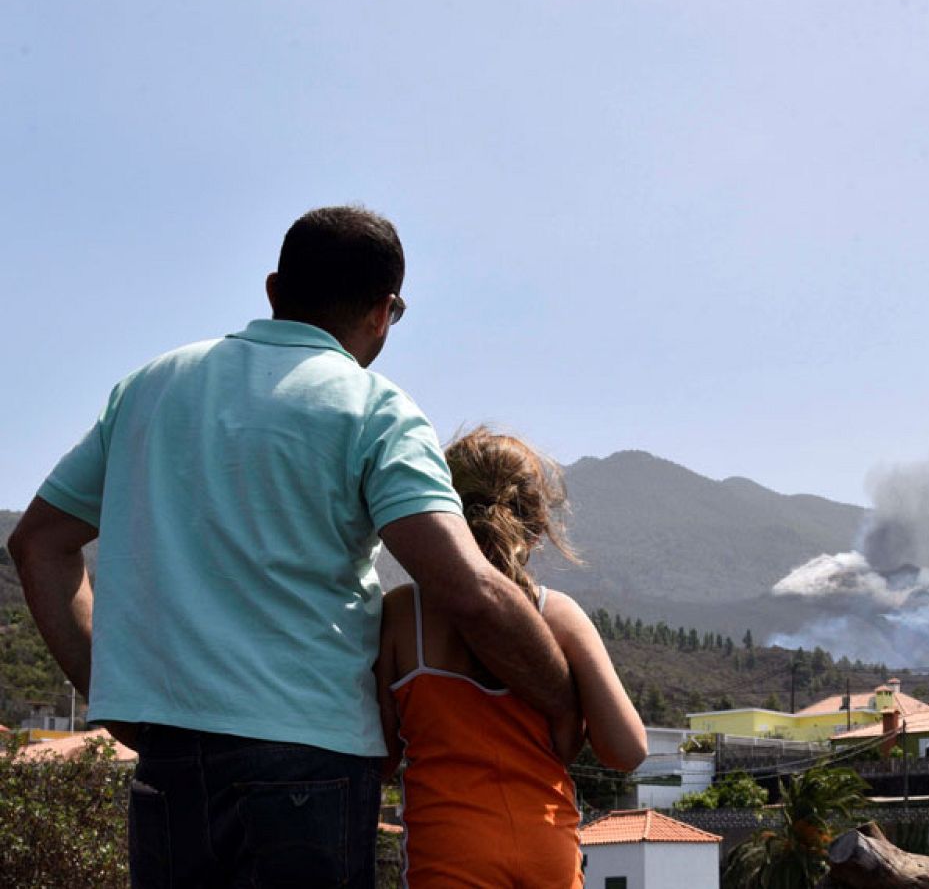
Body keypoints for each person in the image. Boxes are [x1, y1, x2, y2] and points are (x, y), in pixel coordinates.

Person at [7, 206, 577, 888]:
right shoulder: (375, 409)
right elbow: (471, 591)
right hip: (309, 763)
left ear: (275, 291)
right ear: (384, 311)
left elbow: (38, 543)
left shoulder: (150, 388)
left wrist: (111, 690)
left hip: (169, 762)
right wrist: (565, 700)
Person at [379, 428, 646, 888]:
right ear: (539, 525)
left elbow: (379, 758)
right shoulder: (561, 617)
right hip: (549, 851)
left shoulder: (404, 614)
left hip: (448, 850)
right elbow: (627, 750)